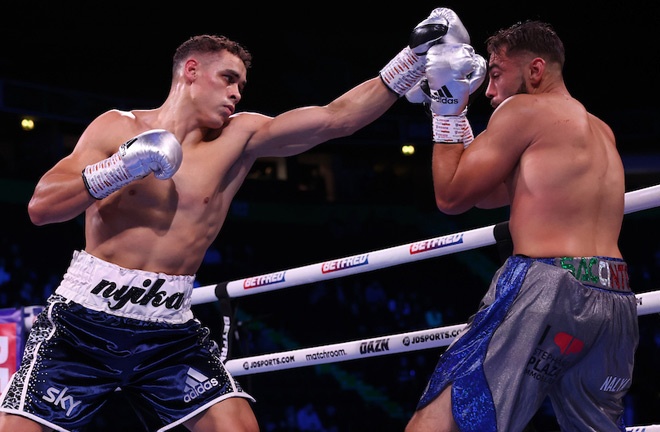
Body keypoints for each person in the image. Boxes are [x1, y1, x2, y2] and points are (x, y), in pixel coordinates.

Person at [0, 7, 472, 432]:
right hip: (84, 322)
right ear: (190, 71)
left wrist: (412, 57)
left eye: (241, 85)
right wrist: (121, 167)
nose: (236, 93)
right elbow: (41, 207)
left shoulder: (240, 137)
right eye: (227, 79)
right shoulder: (117, 128)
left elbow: (335, 119)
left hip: (169, 330)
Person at [404, 19, 639, 432]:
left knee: (437, 424)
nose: (491, 93)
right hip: (615, 300)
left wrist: (444, 109)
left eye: (496, 75)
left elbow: (453, 197)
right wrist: (459, 116)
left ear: (534, 70)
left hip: (548, 289)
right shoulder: (600, 131)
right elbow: (486, 191)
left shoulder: (523, 110)